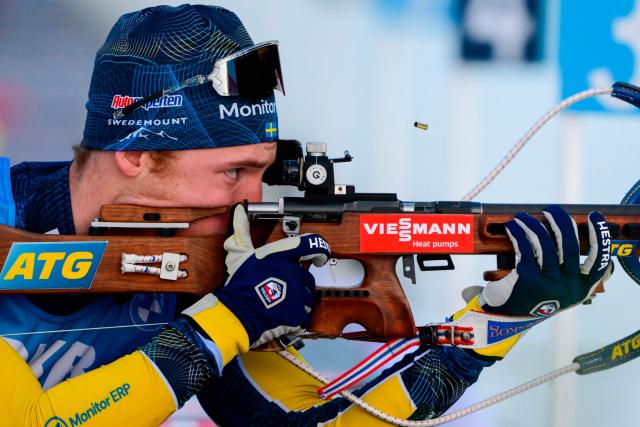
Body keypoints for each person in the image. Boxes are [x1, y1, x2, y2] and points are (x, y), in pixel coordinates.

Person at [0, 4, 614, 426]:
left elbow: (321, 420)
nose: (252, 200)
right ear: (134, 153)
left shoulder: (201, 266)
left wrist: (492, 327)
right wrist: (224, 324)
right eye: (231, 173)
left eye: (263, 171)